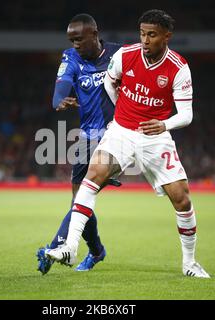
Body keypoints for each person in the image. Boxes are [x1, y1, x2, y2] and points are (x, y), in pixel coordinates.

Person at [46, 9, 210, 278]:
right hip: (121, 131)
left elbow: (187, 114)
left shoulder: (178, 68)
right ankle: (70, 247)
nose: (145, 40)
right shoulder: (125, 55)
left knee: (181, 199)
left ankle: (190, 263)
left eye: (152, 35)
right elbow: (111, 85)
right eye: (143, 34)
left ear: (167, 37)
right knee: (93, 176)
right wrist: (122, 113)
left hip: (156, 139)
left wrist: (164, 124)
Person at [36, 14, 122, 274]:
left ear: (95, 34)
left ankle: (55, 247)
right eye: (71, 40)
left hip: (115, 136)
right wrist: (58, 101)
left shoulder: (119, 55)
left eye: (79, 39)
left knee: (83, 197)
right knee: (79, 202)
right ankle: (96, 251)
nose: (74, 44)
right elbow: (61, 86)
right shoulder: (70, 57)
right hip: (87, 139)